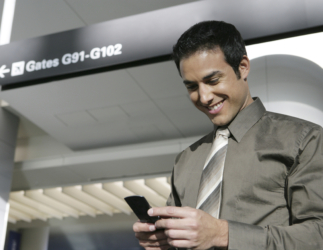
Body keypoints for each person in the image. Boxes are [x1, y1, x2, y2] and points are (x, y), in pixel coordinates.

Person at [132, 20, 323, 250]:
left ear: (242, 67)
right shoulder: (185, 160)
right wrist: (163, 242)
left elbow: (318, 235)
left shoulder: (303, 140)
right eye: (192, 87)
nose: (204, 97)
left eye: (213, 80)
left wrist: (223, 234)